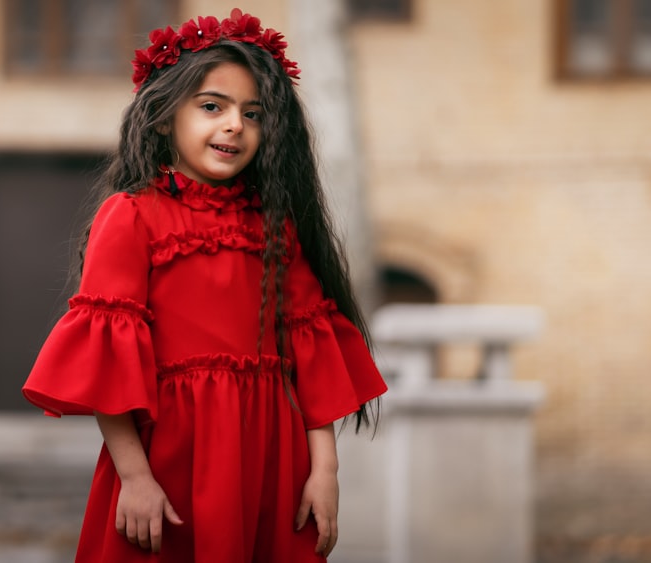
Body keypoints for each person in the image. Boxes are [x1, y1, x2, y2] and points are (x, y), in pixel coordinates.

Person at [22, 9, 387, 562]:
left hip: (270, 459)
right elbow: (110, 365)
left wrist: (324, 471)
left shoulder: (276, 223)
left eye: (253, 113)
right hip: (169, 462)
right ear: (165, 118)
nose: (235, 124)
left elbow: (308, 358)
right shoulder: (131, 216)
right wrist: (135, 478)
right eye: (213, 106)